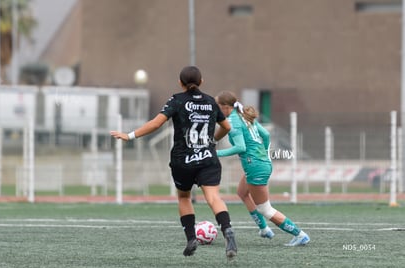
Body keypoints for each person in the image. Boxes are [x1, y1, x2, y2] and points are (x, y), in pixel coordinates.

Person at [110, 66, 237, 258]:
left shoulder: (177, 100)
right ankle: (227, 230)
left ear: (180, 83)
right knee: (213, 198)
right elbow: (226, 127)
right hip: (207, 158)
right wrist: (212, 141)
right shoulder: (211, 101)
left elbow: (156, 123)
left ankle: (191, 239)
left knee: (184, 197)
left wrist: (129, 136)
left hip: (182, 160)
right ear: (201, 82)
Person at [215, 91, 310, 246]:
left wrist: (215, 153)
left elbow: (240, 147)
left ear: (225, 107)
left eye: (217, 106)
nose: (215, 109)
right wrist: (264, 153)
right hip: (259, 163)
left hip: (255, 166)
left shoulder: (233, 121)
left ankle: (300, 235)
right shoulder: (243, 115)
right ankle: (264, 229)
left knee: (265, 209)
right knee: (242, 193)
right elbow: (265, 134)